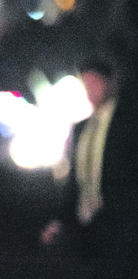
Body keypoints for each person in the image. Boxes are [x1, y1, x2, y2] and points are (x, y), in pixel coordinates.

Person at [40, 57, 138, 276]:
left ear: (109, 83)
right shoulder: (82, 128)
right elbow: (77, 180)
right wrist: (60, 220)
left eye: (95, 83)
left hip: (121, 223)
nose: (90, 90)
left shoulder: (128, 121)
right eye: (86, 84)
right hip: (88, 226)